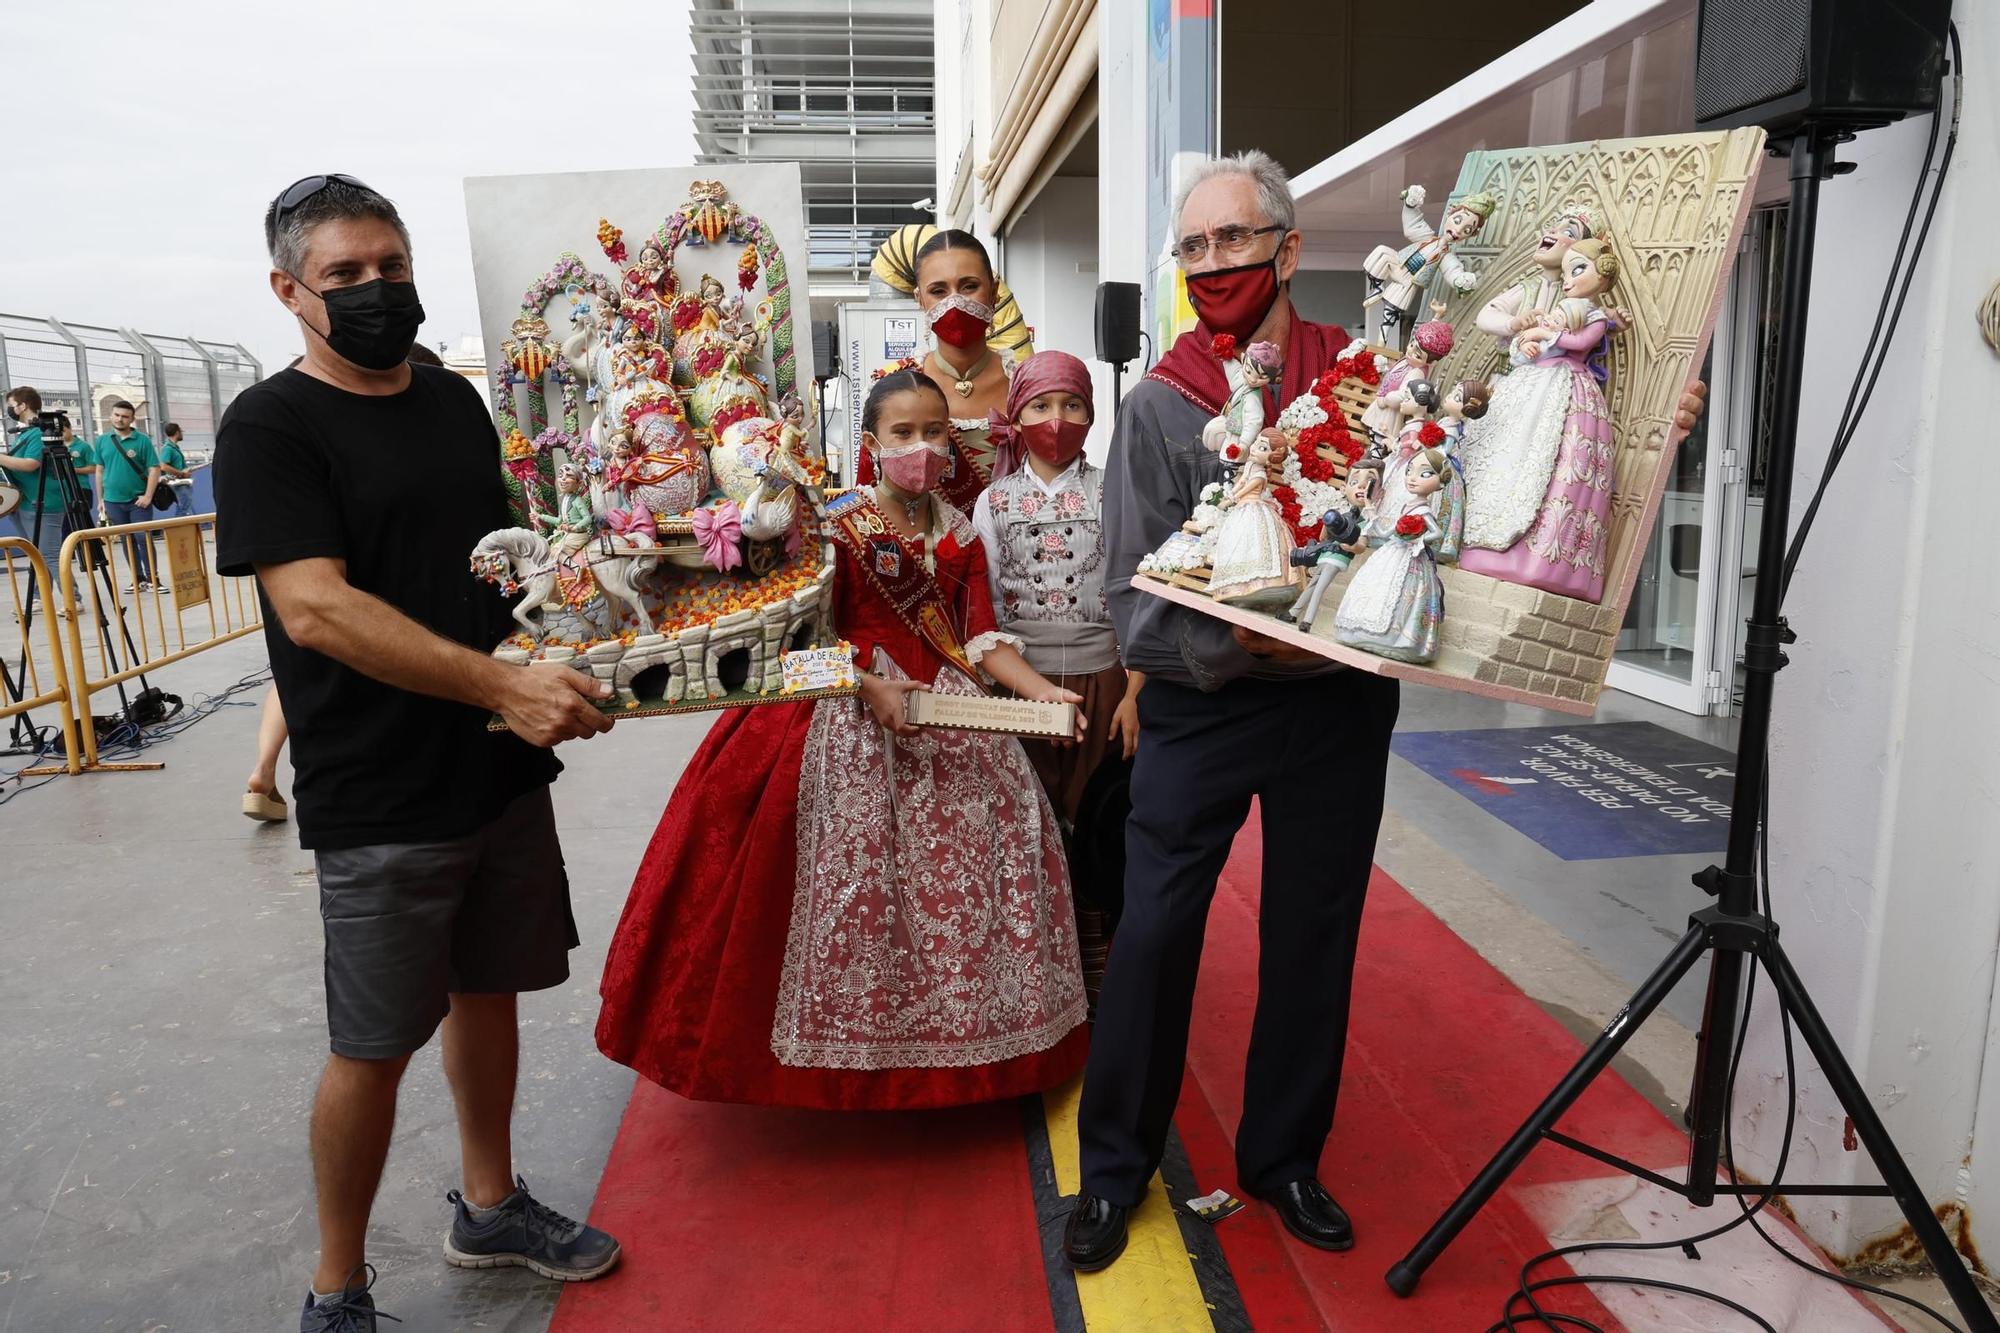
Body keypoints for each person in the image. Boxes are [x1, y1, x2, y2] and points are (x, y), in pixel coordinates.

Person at [1063, 149, 1712, 1272]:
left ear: (1288, 247)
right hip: (1199, 709)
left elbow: (1497, 447)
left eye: (1233, 238)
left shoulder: (1371, 366)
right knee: (1157, 933)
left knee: (1314, 932)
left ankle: (1282, 1158)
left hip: (1336, 707)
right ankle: (1114, 1170)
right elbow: (1128, 599)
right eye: (1194, 246)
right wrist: (1237, 636)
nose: (1213, 263)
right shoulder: (1162, 405)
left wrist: (1644, 415)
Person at [214, 174, 621, 1332]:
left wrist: (568, 655)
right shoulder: (269, 428)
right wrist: (505, 682)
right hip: (377, 788)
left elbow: (493, 569)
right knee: (374, 1043)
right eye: (344, 276)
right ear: (290, 290)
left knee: (488, 991)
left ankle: (488, 1204)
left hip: (493, 766)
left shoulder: (449, 402)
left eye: (389, 266)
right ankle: (335, 1285)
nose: (375, 289)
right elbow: (317, 610)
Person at [596, 369, 1091, 1110]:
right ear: (871, 443)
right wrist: (866, 685)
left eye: (934, 433)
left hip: (949, 713)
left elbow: (983, 641)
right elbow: (795, 641)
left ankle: (964, 1059)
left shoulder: (960, 532)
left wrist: (1042, 692)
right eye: (903, 434)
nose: (921, 447)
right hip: (842, 707)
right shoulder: (832, 523)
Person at [975, 349, 1144, 1006]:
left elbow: (1138, 593)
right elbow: (984, 602)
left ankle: (1099, 964)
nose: (1056, 419)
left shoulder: (1115, 491)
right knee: (1032, 822)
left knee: (1099, 818)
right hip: (1023, 687)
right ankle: (1037, 971)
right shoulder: (994, 501)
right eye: (1041, 405)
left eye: (1072, 404)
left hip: (1105, 680)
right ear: (1017, 416)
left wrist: (1135, 690)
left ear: (1091, 413)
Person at [857, 230, 1015, 511]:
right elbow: (871, 504)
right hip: (922, 552)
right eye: (938, 291)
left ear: (993, 292)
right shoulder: (890, 385)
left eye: (968, 286)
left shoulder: (1023, 384)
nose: (954, 302)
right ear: (920, 299)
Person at [92, 398, 162, 591]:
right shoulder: (102, 441)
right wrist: (101, 500)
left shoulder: (142, 441)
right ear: (110, 416)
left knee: (142, 537)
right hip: (113, 501)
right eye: (116, 415)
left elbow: (154, 468)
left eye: (124, 416)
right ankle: (137, 579)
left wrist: (148, 496)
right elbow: (99, 470)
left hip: (137, 499)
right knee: (126, 539)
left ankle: (153, 578)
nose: (120, 419)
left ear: (131, 419)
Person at [157, 422, 194, 516]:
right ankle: (180, 530)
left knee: (185, 508)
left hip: (180, 482)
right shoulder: (168, 448)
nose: (182, 433)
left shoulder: (173, 448)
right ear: (177, 432)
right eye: (181, 431)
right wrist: (182, 474)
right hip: (178, 483)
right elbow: (163, 466)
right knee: (184, 509)